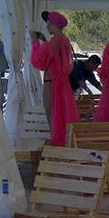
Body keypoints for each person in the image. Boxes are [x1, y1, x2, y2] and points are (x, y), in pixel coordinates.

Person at [29, 11, 80, 146]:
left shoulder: (55, 41)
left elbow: (38, 60)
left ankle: (56, 144)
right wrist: (44, 41)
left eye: (49, 24)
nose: (47, 26)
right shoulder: (64, 40)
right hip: (61, 83)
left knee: (51, 115)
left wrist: (34, 42)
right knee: (60, 114)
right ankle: (61, 142)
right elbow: (53, 57)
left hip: (51, 83)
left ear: (54, 25)